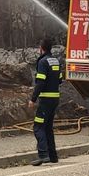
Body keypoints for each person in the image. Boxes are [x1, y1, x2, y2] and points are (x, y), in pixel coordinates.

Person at [29, 36, 63, 165]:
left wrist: (33, 99)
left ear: (41, 49)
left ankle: (43, 155)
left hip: (46, 100)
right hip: (55, 99)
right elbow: (59, 80)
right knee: (48, 127)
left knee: (38, 127)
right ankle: (53, 156)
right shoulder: (56, 61)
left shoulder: (43, 62)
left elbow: (40, 82)